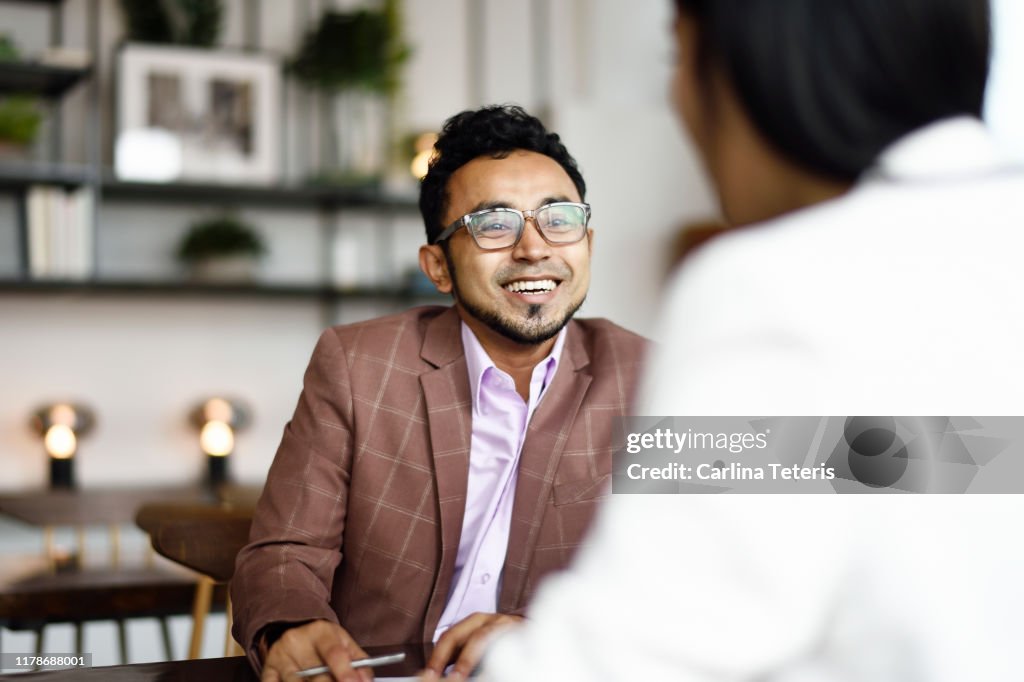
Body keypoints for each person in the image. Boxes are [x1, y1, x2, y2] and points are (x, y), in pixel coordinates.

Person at [480, 0, 1024, 680]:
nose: (679, 102)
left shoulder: (774, 287)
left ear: (750, 61)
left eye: (677, 59)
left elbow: (633, 657)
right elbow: (961, 461)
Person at [230, 104, 646, 681]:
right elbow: (283, 552)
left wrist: (554, 629)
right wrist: (292, 628)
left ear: (587, 244)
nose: (533, 247)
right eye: (494, 224)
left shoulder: (652, 375)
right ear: (438, 266)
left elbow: (725, 563)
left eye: (559, 218)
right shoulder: (356, 366)